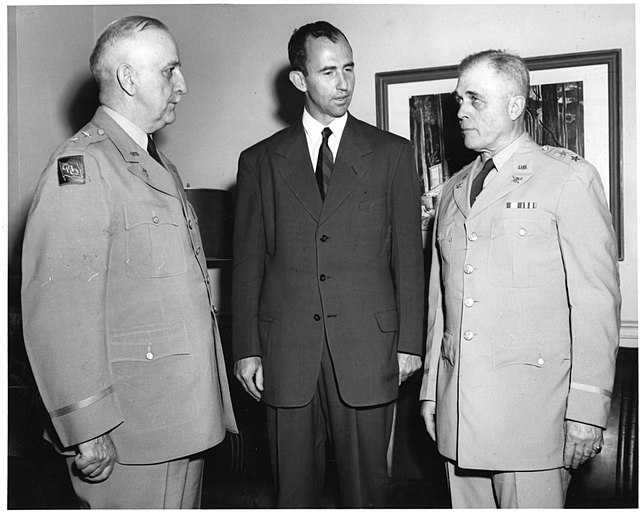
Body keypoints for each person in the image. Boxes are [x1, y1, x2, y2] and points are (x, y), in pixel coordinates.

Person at [21, 15, 237, 509]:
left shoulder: (152, 162)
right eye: (170, 71)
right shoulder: (81, 168)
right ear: (128, 79)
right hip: (128, 434)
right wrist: (87, 427)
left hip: (179, 418)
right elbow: (59, 311)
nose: (183, 85)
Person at [232, 21, 424, 508]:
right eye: (328, 71)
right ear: (300, 80)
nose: (343, 83)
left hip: (368, 349)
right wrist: (246, 349)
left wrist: (410, 343)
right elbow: (248, 264)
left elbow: (408, 260)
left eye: (350, 69)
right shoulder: (260, 161)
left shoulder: (392, 154)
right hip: (286, 352)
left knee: (368, 492)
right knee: (291, 493)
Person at [420, 49, 621, 508]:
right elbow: (441, 303)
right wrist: (432, 390)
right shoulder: (452, 190)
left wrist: (587, 412)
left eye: (475, 99)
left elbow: (595, 304)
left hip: (533, 420)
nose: (461, 112)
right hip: (458, 412)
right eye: (458, 100)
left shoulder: (567, 179)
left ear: (514, 106)